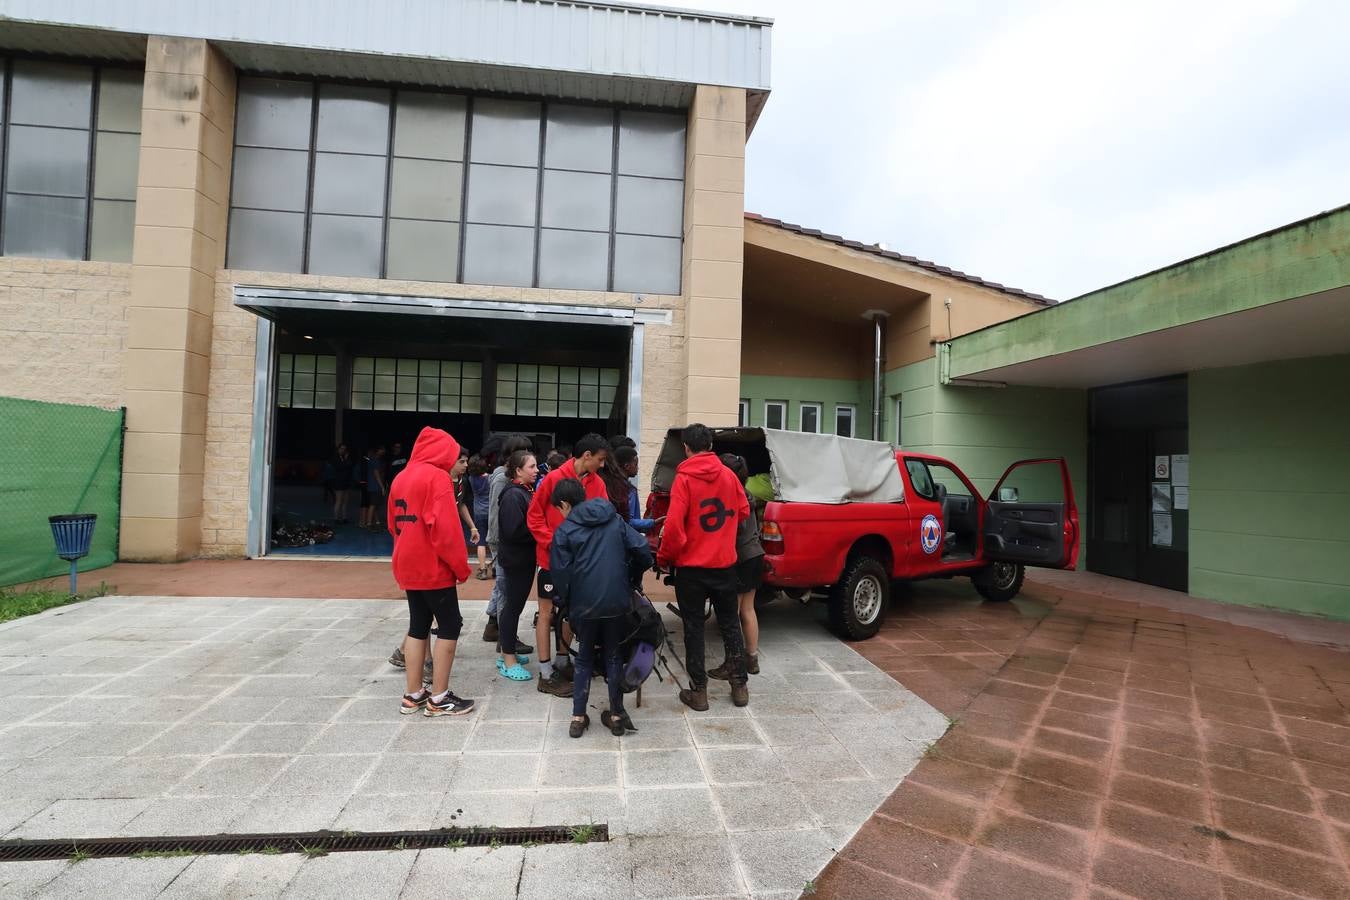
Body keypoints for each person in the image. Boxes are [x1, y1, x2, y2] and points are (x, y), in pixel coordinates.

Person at [656, 423, 750, 711]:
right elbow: (743, 511)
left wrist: (664, 556)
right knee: (730, 624)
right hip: (724, 564)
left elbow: (673, 527)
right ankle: (739, 686)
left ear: (686, 447)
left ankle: (699, 693)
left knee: (694, 629)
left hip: (692, 568)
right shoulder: (728, 475)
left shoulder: (683, 479)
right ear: (710, 445)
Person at [549, 478, 652, 738]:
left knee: (583, 658)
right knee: (614, 655)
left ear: (565, 504)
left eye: (559, 509)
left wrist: (568, 601)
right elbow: (642, 550)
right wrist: (630, 578)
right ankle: (616, 716)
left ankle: (578, 717)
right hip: (617, 602)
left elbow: (560, 573)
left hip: (584, 606)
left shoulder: (565, 530)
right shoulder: (614, 520)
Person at [387, 426, 475, 717]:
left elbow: (392, 523)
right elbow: (446, 532)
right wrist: (461, 567)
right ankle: (439, 698)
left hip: (407, 562)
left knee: (418, 625)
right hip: (432, 565)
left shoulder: (401, 477)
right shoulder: (437, 478)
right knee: (450, 625)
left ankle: (412, 695)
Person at [526, 433, 612, 697]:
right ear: (587, 456)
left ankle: (563, 661)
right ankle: (545, 672)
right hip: (550, 560)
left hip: (581, 562)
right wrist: (556, 542)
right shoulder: (553, 479)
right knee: (546, 612)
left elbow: (604, 517)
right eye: (600, 459)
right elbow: (534, 517)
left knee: (572, 610)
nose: (602, 465)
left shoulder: (598, 483)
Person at [711, 453, 763, 678]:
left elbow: (737, 529)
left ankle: (733, 663)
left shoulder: (733, 495)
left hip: (741, 558)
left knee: (731, 614)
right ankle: (752, 659)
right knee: (748, 609)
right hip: (755, 555)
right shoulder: (748, 493)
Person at [485, 434, 535, 651]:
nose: (535, 469)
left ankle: (500, 632)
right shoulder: (503, 482)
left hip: (508, 544)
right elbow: (498, 516)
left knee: (505, 591)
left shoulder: (520, 487)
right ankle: (504, 641)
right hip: (504, 544)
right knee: (507, 593)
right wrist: (497, 542)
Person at [494, 449, 539, 681]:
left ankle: (507, 651)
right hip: (516, 561)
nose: (536, 470)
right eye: (531, 467)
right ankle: (507, 659)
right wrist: (540, 531)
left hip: (523, 559)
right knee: (512, 608)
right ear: (518, 470)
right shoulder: (513, 496)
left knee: (515, 607)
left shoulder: (523, 492)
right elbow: (513, 531)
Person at [613, 445, 659, 533]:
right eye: (636, 464)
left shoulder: (609, 485)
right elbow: (628, 521)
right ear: (627, 466)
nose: (637, 468)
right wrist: (652, 522)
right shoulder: (629, 490)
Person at [467, 455, 492, 579]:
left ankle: (482, 570)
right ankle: (495, 567)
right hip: (491, 512)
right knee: (494, 540)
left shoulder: (471, 478)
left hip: (478, 512)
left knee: (480, 541)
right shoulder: (490, 478)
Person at [360, 445, 387, 530]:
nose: (384, 452)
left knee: (374, 504)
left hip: (372, 486)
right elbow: (376, 474)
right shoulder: (375, 460)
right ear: (378, 450)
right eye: (382, 450)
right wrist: (382, 486)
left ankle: (375, 522)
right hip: (375, 486)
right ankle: (369, 524)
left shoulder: (372, 460)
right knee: (372, 505)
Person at [331, 444, 356, 523]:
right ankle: (336, 518)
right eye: (341, 448)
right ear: (338, 449)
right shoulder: (335, 458)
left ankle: (344, 517)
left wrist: (346, 459)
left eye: (344, 449)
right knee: (339, 500)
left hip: (346, 482)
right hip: (339, 482)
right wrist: (345, 460)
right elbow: (340, 467)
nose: (343, 450)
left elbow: (350, 465)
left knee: (345, 501)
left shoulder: (346, 457)